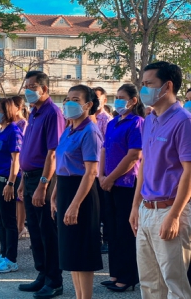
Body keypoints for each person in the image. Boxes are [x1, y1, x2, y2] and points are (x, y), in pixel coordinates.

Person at [129, 61, 191, 298]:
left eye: (149, 84)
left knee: (174, 284)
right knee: (150, 283)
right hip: (146, 209)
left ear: (167, 86)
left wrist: (174, 215)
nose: (144, 90)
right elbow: (144, 165)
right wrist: (136, 206)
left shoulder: (183, 121)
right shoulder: (151, 119)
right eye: (142, 84)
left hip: (170, 209)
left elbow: (189, 171)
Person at [17, 72, 64, 299]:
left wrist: (43, 185)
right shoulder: (34, 113)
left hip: (43, 178)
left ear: (45, 89)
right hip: (29, 177)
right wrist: (22, 181)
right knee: (35, 230)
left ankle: (54, 280)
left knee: (47, 231)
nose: (28, 90)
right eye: (26, 86)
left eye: (33, 86)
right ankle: (42, 274)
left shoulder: (53, 113)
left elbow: (52, 153)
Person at [53, 84, 103, 299]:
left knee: (82, 251)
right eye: (67, 99)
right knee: (70, 251)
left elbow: (91, 172)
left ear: (88, 104)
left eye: (75, 99)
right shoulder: (68, 129)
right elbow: (62, 163)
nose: (69, 103)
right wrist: (55, 194)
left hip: (81, 193)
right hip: (65, 188)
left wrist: (75, 205)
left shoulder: (90, 131)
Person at [99, 84, 145, 292]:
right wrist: (101, 175)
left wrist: (111, 178)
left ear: (133, 100)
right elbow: (104, 149)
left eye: (122, 97)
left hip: (126, 184)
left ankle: (128, 277)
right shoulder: (113, 122)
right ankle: (115, 273)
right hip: (108, 183)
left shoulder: (137, 123)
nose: (117, 101)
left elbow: (134, 155)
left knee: (126, 231)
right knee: (112, 230)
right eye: (116, 97)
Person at [0, 98, 23, 273]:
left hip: (6, 181)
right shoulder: (1, 131)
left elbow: (16, 160)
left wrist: (11, 183)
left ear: (7, 112)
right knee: (0, 220)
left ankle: (11, 259)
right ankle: (4, 254)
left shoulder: (14, 132)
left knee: (9, 221)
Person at [93, 86, 113, 254]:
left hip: (103, 169)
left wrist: (103, 173)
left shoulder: (106, 120)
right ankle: (97, 238)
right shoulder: (89, 118)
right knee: (95, 208)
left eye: (97, 97)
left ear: (104, 100)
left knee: (104, 208)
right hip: (91, 170)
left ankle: (106, 239)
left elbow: (106, 148)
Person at [11, 96, 29, 240]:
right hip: (9, 164)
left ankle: (20, 226)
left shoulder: (24, 124)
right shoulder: (11, 123)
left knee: (20, 198)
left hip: (20, 163)